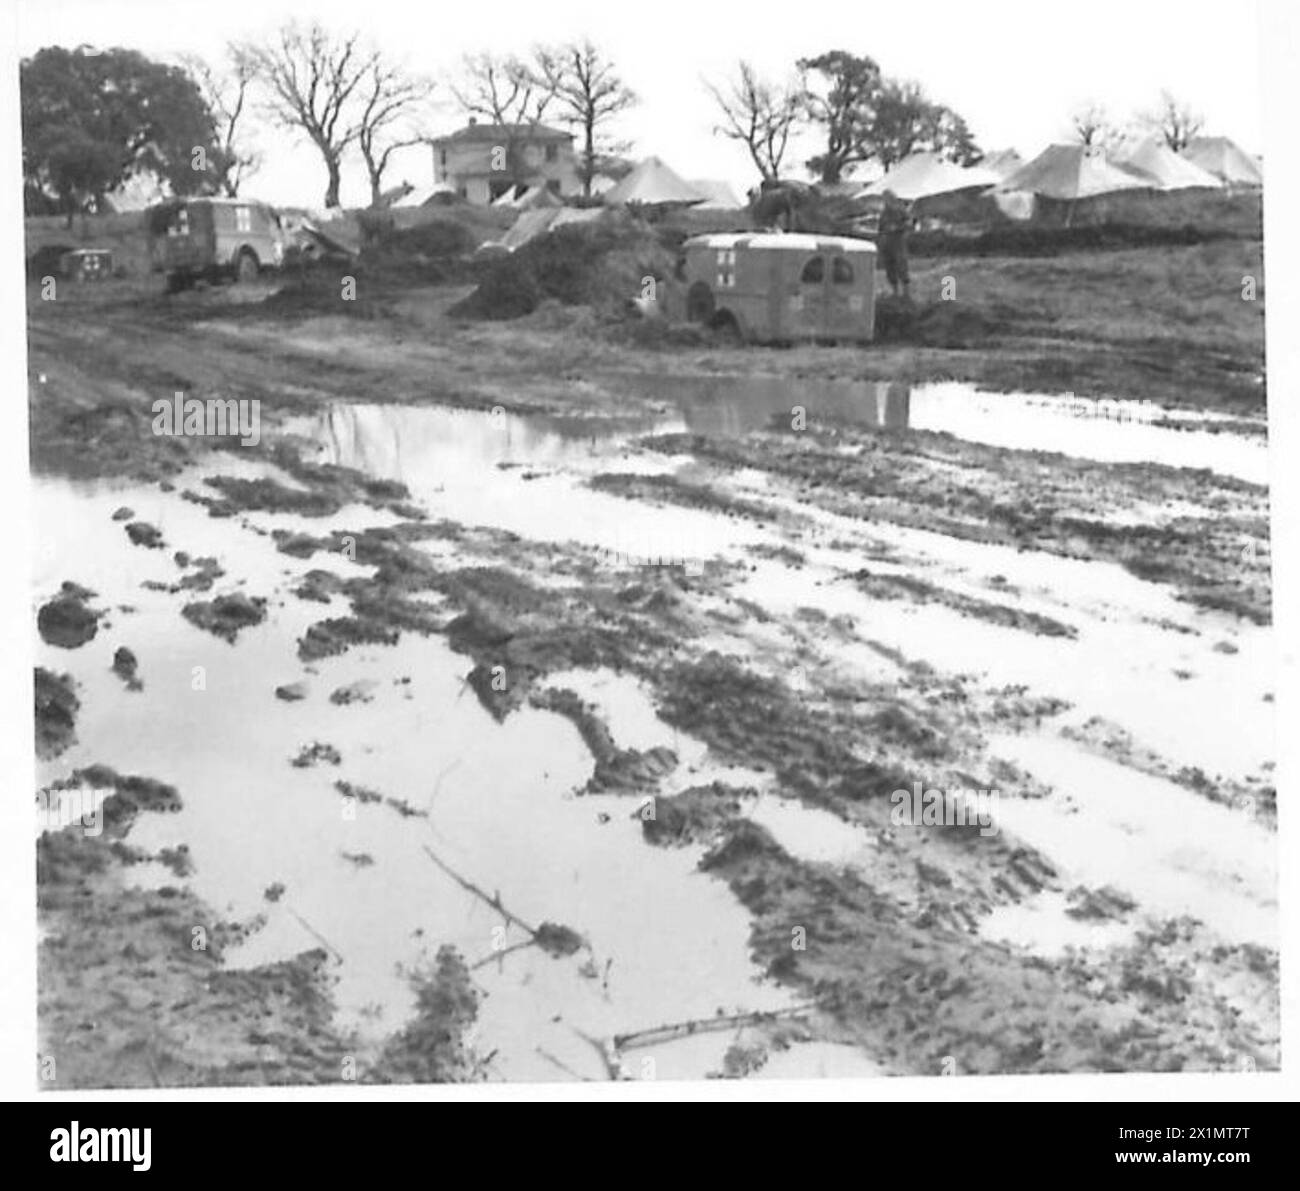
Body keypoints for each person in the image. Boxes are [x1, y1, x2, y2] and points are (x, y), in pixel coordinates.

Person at [877, 189, 914, 300]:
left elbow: (910, 223)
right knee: (890, 267)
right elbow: (880, 229)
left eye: (888, 198)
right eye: (884, 199)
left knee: (901, 266)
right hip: (886, 243)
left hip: (898, 242)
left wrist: (897, 228)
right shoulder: (883, 213)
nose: (886, 201)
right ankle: (895, 292)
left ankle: (906, 292)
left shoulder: (900, 210)